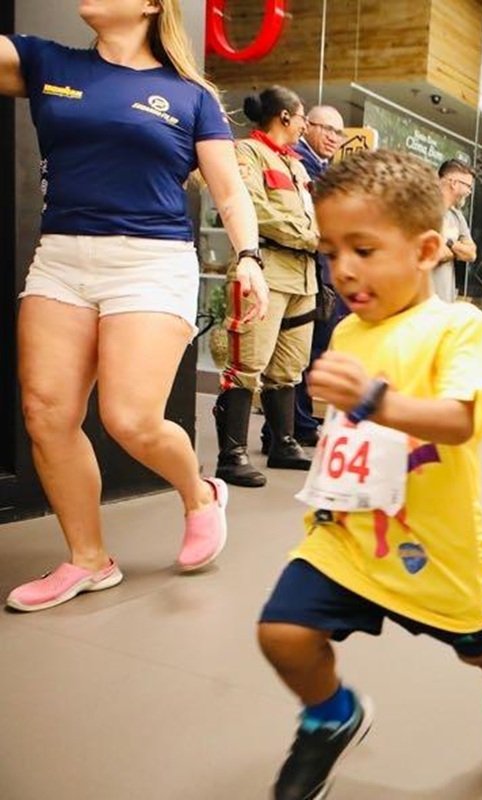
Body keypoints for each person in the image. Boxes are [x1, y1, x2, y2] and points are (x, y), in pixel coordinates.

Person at [257, 151, 482, 799]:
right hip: (347, 534)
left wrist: (373, 400)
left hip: (433, 544)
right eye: (331, 252)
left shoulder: (459, 327)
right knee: (282, 632)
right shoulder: (348, 331)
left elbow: (460, 420)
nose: (344, 270)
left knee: (481, 647)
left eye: (363, 248)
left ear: (426, 250)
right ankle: (332, 717)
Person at [2, 1, 268, 612]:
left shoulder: (189, 95)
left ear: (152, 3)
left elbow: (229, 190)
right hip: (62, 258)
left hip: (150, 261)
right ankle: (89, 559)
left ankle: (199, 493)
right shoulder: (46, 61)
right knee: (47, 413)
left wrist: (248, 257)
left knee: (130, 418)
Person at [215, 86, 319, 488]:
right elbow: (254, 208)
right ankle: (232, 454)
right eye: (302, 116)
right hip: (265, 271)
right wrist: (311, 237)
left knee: (289, 367)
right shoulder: (246, 153)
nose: (305, 124)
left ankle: (284, 442)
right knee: (247, 363)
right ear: (284, 117)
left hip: (302, 278)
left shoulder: (296, 164)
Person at [262, 104, 348, 453]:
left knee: (306, 354)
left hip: (317, 272)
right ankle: (286, 428)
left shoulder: (322, 168)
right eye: (326, 128)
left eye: (339, 132)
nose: (333, 137)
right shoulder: (298, 163)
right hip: (295, 269)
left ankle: (297, 424)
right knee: (295, 355)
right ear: (305, 125)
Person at [434, 159, 477, 303]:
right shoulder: (424, 209)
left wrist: (448, 242)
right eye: (468, 187)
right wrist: (458, 252)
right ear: (454, 183)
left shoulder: (457, 216)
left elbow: (471, 253)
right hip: (422, 305)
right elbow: (435, 253)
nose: (469, 192)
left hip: (445, 304)